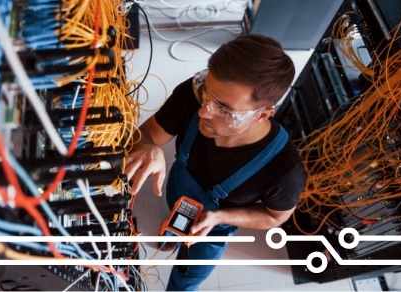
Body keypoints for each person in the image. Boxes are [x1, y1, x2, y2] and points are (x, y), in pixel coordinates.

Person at [125, 34, 308, 291]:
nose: (203, 111)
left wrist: (219, 216)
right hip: (179, 196)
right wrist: (147, 145)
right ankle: (172, 236)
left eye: (224, 109)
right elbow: (145, 134)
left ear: (263, 114)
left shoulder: (284, 171)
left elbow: (273, 217)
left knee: (189, 275)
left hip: (213, 228)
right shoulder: (192, 96)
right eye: (206, 93)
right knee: (176, 221)